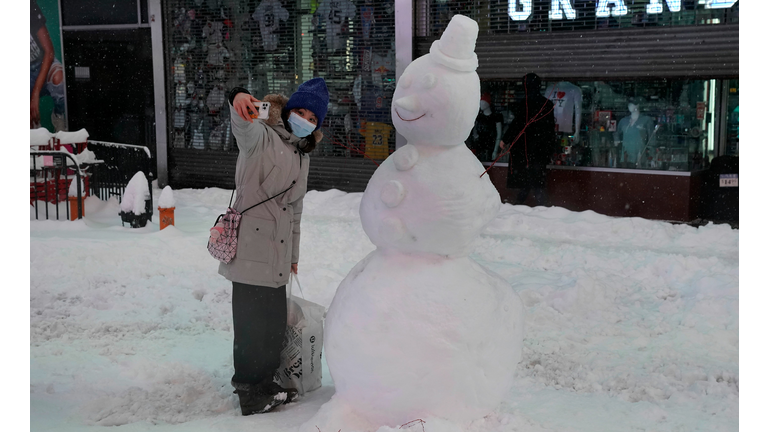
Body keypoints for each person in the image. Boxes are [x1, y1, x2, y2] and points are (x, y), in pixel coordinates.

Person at [220, 77, 329, 415]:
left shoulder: (302, 155)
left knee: (272, 324)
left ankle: (265, 383)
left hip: (278, 249)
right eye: (300, 111)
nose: (305, 120)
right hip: (252, 244)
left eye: (313, 118)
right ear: (287, 110)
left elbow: (295, 211)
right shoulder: (261, 136)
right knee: (251, 324)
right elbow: (242, 124)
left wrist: (293, 256)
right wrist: (236, 95)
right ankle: (249, 391)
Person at [499, 73, 557, 206]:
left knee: (527, 180)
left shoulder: (524, 104)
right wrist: (550, 149)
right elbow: (550, 129)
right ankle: (538, 207)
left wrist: (505, 139)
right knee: (536, 180)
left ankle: (520, 206)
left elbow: (517, 124)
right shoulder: (547, 104)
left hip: (524, 149)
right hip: (540, 149)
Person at [31, 0, 66, 131]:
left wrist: (35, 94)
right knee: (32, 131)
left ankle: (58, 115)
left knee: (59, 78)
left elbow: (49, 51)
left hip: (42, 64)